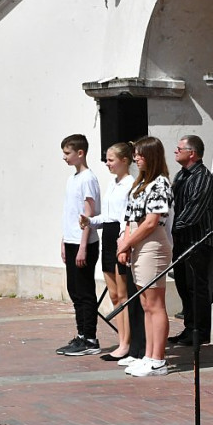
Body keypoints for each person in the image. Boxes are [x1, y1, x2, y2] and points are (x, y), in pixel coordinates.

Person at [117, 137, 175, 377]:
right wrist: (126, 243)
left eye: (140, 154)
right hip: (138, 242)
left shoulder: (161, 183)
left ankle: (158, 359)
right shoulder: (141, 183)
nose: (136, 158)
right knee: (144, 303)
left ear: (151, 156)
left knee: (155, 303)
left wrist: (126, 243)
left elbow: (151, 222)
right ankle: (148, 355)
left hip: (153, 243)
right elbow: (131, 217)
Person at [81, 142, 136, 361]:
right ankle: (122, 339)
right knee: (113, 294)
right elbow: (108, 216)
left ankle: (126, 343)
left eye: (111, 160)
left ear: (124, 161)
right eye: (107, 159)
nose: (107, 164)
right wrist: (90, 221)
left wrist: (125, 240)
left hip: (121, 235)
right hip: (109, 235)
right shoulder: (113, 183)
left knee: (123, 294)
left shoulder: (131, 184)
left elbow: (126, 216)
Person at [168, 135, 213, 347]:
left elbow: (192, 212)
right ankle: (189, 327)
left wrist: (169, 229)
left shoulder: (202, 177)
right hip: (179, 241)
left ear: (192, 153)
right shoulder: (181, 175)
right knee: (182, 285)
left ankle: (200, 330)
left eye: (180, 148)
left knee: (195, 286)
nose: (175, 151)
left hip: (196, 242)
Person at [56, 134, 103, 357]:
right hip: (72, 240)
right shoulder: (72, 178)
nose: (64, 157)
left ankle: (91, 338)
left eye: (67, 153)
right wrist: (64, 240)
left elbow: (88, 214)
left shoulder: (88, 179)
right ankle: (81, 334)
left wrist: (84, 246)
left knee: (84, 290)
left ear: (80, 153)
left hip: (84, 243)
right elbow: (69, 212)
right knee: (74, 289)